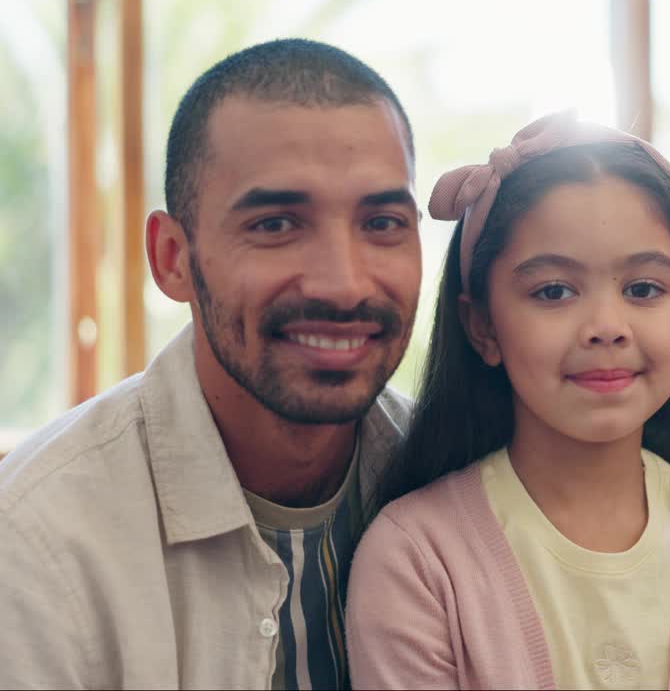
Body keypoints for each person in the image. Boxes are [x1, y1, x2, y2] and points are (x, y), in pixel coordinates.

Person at [345, 112, 670, 690]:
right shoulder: (416, 560)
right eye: (553, 291)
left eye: (643, 289)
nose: (607, 326)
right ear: (482, 326)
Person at [0, 39, 422, 689]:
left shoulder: (458, 473)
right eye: (278, 224)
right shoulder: (35, 546)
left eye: (384, 222)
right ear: (172, 258)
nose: (343, 284)